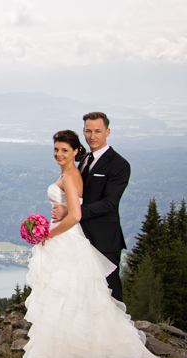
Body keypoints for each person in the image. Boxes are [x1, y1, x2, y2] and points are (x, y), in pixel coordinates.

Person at [16, 130, 161, 358]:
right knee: (67, 298)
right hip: (65, 237)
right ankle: (67, 351)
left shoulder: (71, 176)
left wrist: (48, 234)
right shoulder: (71, 172)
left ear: (75, 151)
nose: (59, 154)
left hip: (66, 238)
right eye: (56, 149)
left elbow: (76, 215)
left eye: (64, 150)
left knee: (66, 298)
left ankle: (70, 355)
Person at [52, 112, 129, 301]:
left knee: (109, 287)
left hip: (105, 237)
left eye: (98, 131)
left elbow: (110, 203)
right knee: (86, 288)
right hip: (81, 235)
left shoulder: (119, 165)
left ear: (107, 132)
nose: (92, 136)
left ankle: (117, 328)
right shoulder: (84, 160)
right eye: (88, 131)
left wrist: (70, 212)